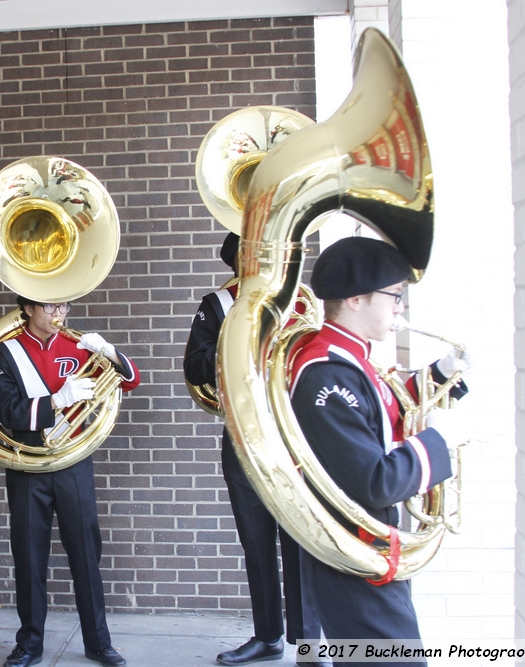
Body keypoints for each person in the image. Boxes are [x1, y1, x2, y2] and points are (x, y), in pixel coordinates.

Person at [288, 236, 470, 662]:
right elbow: (374, 480)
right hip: (356, 549)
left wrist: (441, 377)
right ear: (355, 298)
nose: (399, 308)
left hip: (368, 544)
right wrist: (439, 442)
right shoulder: (326, 372)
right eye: (395, 297)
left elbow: (380, 413)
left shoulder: (347, 358)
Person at [183, 233, 321, 666]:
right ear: (238, 262)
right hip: (243, 433)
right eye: (254, 255)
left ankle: (311, 643)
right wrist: (242, 339)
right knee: (257, 542)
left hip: (296, 435)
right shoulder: (218, 306)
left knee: (302, 538)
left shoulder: (298, 299)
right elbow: (194, 365)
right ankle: (268, 637)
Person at [0, 295, 140, 667]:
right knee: (29, 556)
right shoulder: (5, 352)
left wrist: (109, 352)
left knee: (87, 556)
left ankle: (98, 642)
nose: (59, 314)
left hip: (74, 462)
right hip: (28, 465)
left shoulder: (79, 345)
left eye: (64, 306)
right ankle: (29, 645)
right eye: (50, 306)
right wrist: (55, 400)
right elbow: (2, 408)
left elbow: (131, 380)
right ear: (27, 308)